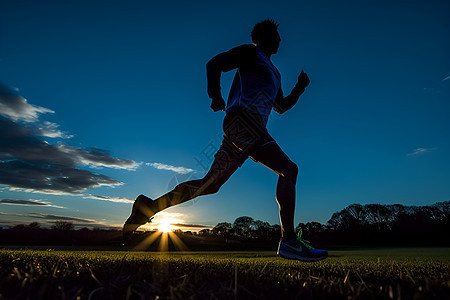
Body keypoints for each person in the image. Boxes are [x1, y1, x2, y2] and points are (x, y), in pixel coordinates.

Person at [123, 19, 328, 261]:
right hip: (243, 121)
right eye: (275, 34)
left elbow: (281, 106)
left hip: (246, 129)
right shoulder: (251, 53)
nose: (280, 39)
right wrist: (216, 95)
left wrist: (300, 88)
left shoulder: (275, 73)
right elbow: (215, 63)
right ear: (262, 38)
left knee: (210, 185)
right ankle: (289, 241)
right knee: (288, 170)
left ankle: (148, 207)